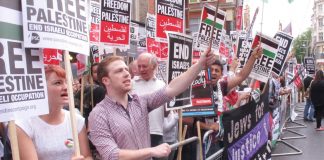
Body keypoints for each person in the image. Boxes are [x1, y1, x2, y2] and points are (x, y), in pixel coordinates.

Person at [88, 48, 217, 160]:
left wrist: (200, 64)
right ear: (105, 80)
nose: (127, 74)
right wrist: (151, 151)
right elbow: (111, 155)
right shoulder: (98, 114)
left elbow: (172, 88)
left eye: (126, 69)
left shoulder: (140, 102)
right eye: (119, 71)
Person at [16, 65, 92, 160]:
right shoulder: (24, 125)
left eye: (68, 82)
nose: (66, 87)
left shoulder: (76, 120)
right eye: (57, 83)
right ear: (41, 88)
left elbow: (87, 156)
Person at [132, 53, 166, 159]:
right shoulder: (131, 84)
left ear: (154, 67)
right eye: (139, 66)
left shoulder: (162, 85)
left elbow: (166, 111)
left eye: (144, 66)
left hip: (156, 131)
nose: (141, 69)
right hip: (136, 133)